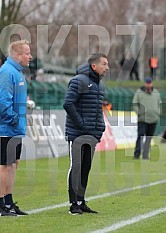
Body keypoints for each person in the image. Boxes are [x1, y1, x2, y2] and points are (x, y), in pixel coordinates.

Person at [0, 40, 32, 217]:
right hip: (5, 127)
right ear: (17, 55)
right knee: (5, 165)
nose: (30, 56)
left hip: (14, 128)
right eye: (27, 53)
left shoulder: (18, 73)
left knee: (13, 165)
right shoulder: (7, 72)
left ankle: (8, 203)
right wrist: (13, 119)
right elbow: (3, 101)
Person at [63, 53, 109, 215]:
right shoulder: (79, 80)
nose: (107, 67)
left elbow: (97, 109)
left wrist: (100, 127)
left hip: (92, 134)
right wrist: (81, 124)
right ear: (94, 66)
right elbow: (68, 103)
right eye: (104, 64)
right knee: (76, 166)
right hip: (77, 134)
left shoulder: (100, 85)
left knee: (86, 168)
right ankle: (73, 203)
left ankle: (81, 201)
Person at [132, 77, 161, 159]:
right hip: (143, 119)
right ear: (145, 83)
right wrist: (139, 113)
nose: (148, 84)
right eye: (147, 83)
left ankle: (145, 155)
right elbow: (135, 103)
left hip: (153, 119)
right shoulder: (139, 92)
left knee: (149, 137)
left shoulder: (156, 92)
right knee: (140, 136)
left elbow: (160, 103)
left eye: (150, 83)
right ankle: (136, 154)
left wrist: (158, 113)